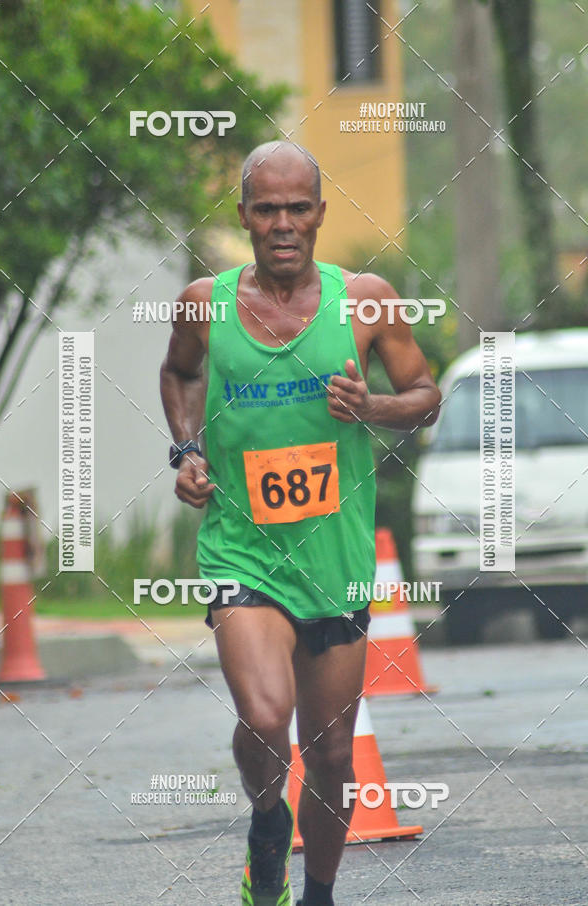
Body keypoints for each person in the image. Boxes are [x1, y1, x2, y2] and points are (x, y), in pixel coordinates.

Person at [160, 141, 441, 906]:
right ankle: (265, 820)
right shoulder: (204, 304)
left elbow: (425, 395)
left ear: (318, 213)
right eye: (266, 209)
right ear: (244, 216)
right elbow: (178, 372)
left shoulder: (367, 301)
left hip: (335, 560)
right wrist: (186, 450)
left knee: (333, 756)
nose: (282, 223)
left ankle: (315, 894)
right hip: (241, 551)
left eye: (296, 208)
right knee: (264, 716)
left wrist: (374, 406)